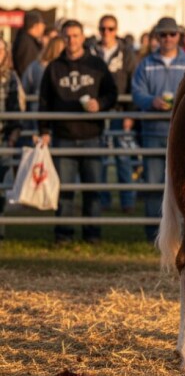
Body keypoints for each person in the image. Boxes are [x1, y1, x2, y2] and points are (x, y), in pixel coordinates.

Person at [38, 19, 118, 245]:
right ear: (62, 38)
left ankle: (92, 234)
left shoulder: (97, 65)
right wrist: (44, 129)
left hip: (91, 135)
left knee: (92, 189)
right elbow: (44, 102)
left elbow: (112, 93)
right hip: (64, 136)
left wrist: (100, 104)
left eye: (75, 36)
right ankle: (63, 234)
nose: (72, 40)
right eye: (67, 36)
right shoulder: (54, 67)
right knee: (65, 190)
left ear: (82, 37)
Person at [131, 17, 185, 241]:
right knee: (153, 182)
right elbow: (136, 92)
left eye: (172, 34)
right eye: (163, 34)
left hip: (183, 134)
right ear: (156, 37)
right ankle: (153, 231)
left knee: (184, 184)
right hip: (153, 132)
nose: (168, 38)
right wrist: (151, 101)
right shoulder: (145, 65)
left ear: (178, 36)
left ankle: (184, 231)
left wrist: (179, 102)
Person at [89, 14, 138, 214]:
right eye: (102, 29)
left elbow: (133, 82)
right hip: (98, 111)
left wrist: (130, 114)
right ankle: (103, 200)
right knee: (99, 158)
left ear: (116, 30)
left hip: (120, 111)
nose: (106, 33)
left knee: (123, 158)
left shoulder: (126, 53)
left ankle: (127, 201)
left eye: (110, 29)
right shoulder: (92, 51)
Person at [0, 39, 23, 241]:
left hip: (3, 137)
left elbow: (16, 110)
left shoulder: (11, 78)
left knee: (0, 185)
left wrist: (12, 138)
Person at [12, 10, 46, 77]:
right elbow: (26, 68)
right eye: (42, 24)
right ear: (36, 25)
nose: (44, 27)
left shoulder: (28, 40)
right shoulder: (25, 42)